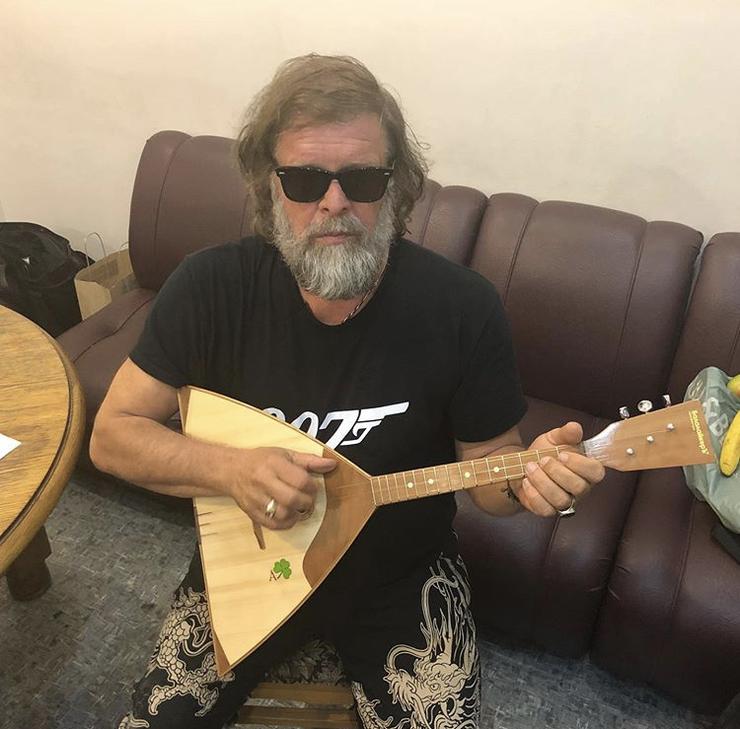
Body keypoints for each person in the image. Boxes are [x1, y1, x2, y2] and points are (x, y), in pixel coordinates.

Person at [91, 54, 605, 729]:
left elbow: (490, 476)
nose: (334, 203)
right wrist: (228, 468)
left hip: (403, 573)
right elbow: (112, 436)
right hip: (253, 558)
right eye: (305, 179)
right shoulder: (208, 287)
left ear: (396, 186)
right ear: (269, 185)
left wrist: (528, 482)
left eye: (362, 179)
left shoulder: (462, 307)